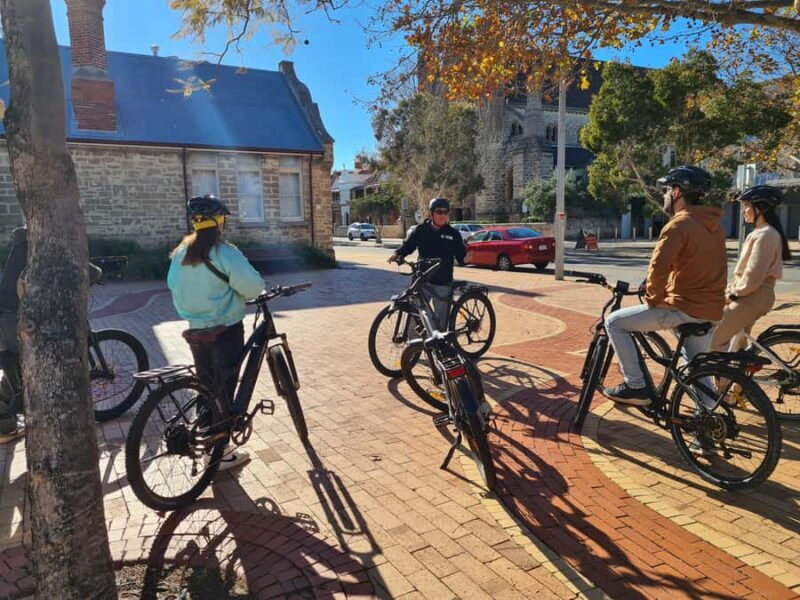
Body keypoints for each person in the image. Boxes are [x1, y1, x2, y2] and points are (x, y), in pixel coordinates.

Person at [603, 166, 727, 415]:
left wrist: (653, 298)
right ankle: (708, 429)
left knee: (615, 322)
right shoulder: (714, 226)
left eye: (667, 190)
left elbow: (658, 268)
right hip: (712, 310)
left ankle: (636, 386)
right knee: (696, 370)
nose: (665, 196)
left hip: (684, 308)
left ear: (678, 192)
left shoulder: (678, 225)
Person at [167, 194, 265, 470]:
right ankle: (220, 452)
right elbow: (253, 288)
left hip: (195, 329)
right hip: (225, 329)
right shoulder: (225, 252)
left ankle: (209, 440)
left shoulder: (181, 254)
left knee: (206, 387)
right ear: (220, 221)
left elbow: (173, 285)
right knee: (224, 389)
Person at [0, 227, 104, 443]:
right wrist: (95, 274)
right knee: (21, 364)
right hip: (12, 317)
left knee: (12, 362)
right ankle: (8, 426)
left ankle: (8, 417)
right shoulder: (45, 245)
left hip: (6, 311)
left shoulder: (20, 249)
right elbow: (85, 269)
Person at [711, 186, 791, 353]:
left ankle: (722, 377)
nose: (743, 211)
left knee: (713, 339)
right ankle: (737, 376)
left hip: (752, 297)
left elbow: (752, 277)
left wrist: (731, 296)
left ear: (760, 208)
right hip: (750, 296)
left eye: (746, 205)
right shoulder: (759, 233)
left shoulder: (766, 235)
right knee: (737, 345)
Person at [388, 198, 467, 328]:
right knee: (416, 316)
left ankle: (440, 347)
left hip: (443, 281)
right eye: (439, 212)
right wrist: (398, 254)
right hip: (422, 280)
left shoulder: (453, 234)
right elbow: (408, 246)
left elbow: (461, 258)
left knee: (440, 323)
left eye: (445, 212)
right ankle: (414, 347)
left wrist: (466, 259)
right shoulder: (421, 230)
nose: (442, 215)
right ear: (431, 213)